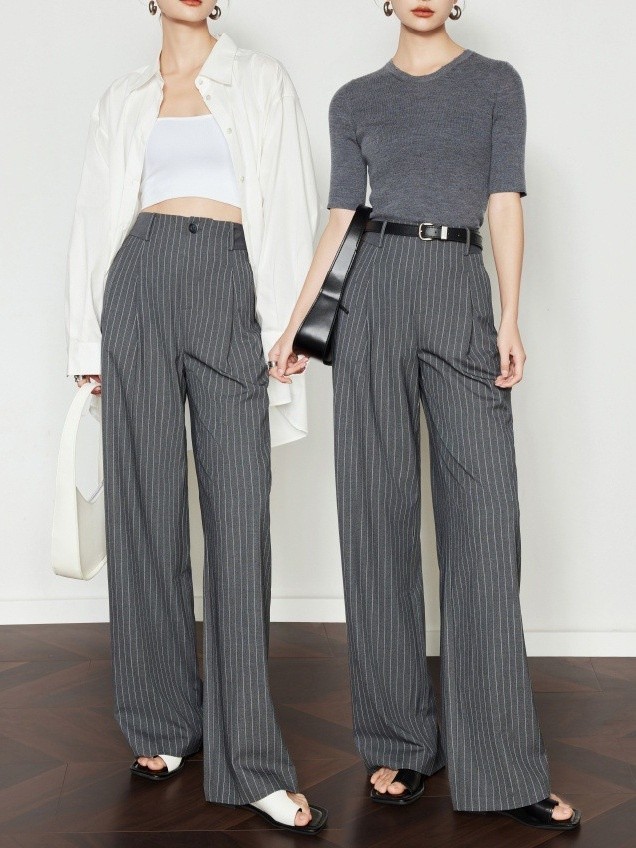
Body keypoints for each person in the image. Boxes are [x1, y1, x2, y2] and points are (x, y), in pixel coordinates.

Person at [269, 0, 580, 832]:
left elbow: (504, 200)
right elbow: (341, 218)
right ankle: (400, 741)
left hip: (457, 286)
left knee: (486, 520)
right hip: (371, 296)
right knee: (377, 514)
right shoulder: (354, 99)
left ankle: (503, 765)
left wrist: (509, 315)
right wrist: (298, 325)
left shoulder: (495, 83)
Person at [63, 0, 326, 835]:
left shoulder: (260, 79)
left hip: (227, 280)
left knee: (240, 518)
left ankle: (251, 760)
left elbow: (292, 203)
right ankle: (162, 720)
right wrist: (87, 340)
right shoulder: (124, 95)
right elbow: (94, 218)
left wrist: (291, 326)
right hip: (137, 284)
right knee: (144, 506)